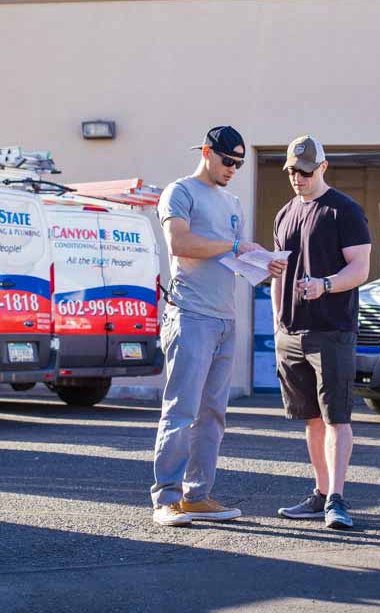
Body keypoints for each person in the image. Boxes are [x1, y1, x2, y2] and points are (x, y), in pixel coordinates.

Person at [151, 125, 286, 527]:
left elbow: (234, 258)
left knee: (212, 414)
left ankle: (197, 496)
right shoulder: (180, 192)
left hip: (225, 318)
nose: (233, 169)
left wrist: (263, 262)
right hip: (191, 316)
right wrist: (232, 246)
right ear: (207, 152)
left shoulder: (232, 202)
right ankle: (166, 500)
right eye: (228, 161)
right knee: (181, 412)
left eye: (240, 164)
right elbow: (181, 244)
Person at [271, 135, 372, 530]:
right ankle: (319, 493)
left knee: (336, 419)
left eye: (306, 171)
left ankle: (337, 500)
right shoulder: (285, 214)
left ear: (323, 168)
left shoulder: (344, 211)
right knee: (311, 419)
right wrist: (278, 319)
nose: (298, 178)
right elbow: (278, 270)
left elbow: (360, 268)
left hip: (332, 331)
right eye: (292, 171)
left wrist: (325, 285)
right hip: (292, 333)